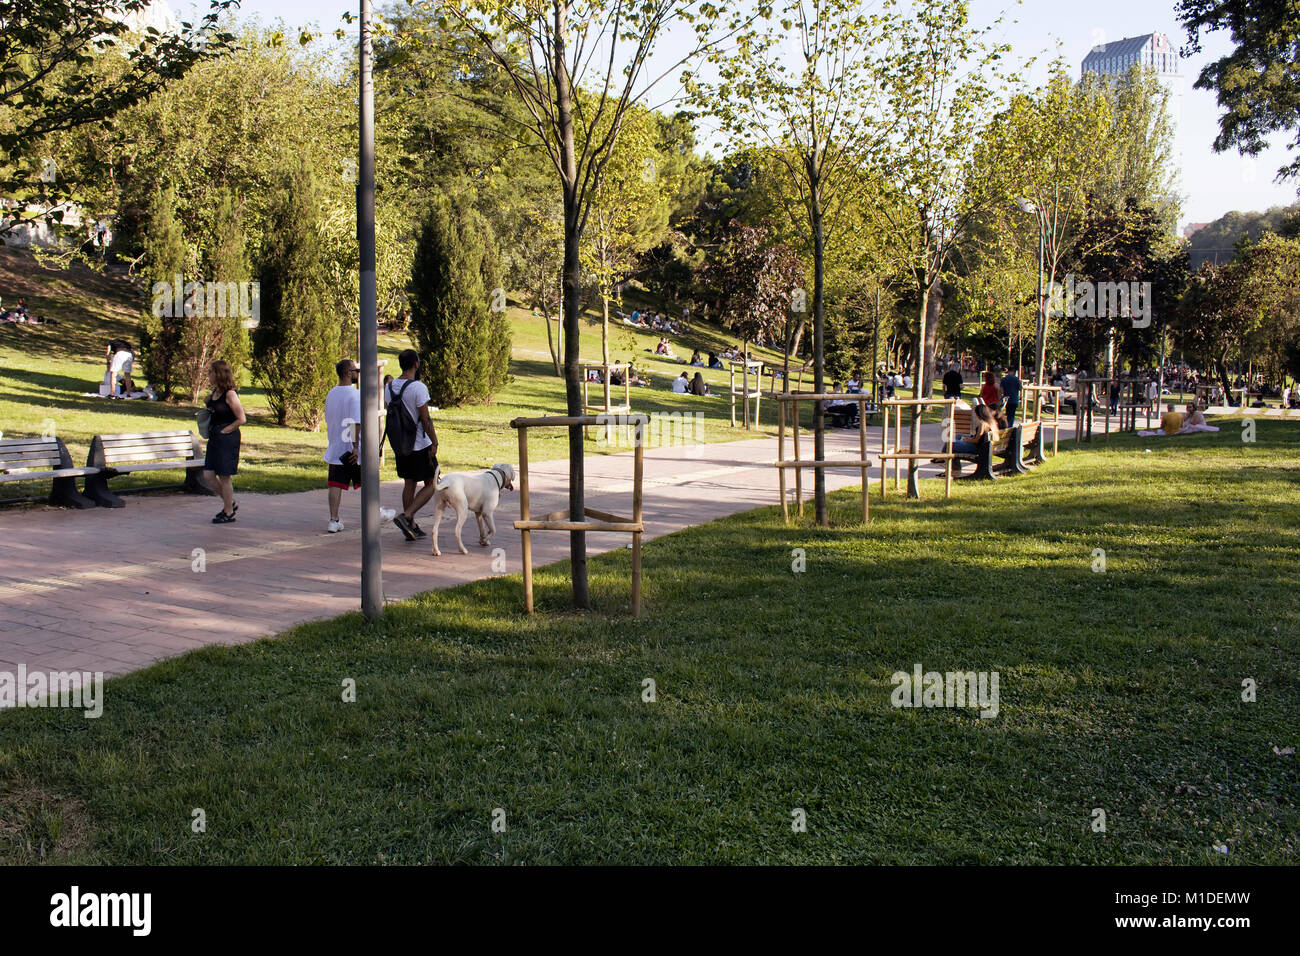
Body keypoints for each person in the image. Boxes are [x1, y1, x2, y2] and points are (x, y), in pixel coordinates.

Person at [387, 349, 439, 541]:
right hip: (419, 444)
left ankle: (410, 525)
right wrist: (434, 441)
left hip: (400, 444)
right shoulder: (418, 388)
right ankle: (407, 516)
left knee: (409, 482)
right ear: (416, 364)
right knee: (433, 482)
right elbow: (425, 418)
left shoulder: (390, 387)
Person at [203, 360, 245, 523]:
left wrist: (226, 430)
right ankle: (230, 503)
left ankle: (228, 512)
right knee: (208, 475)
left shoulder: (230, 394)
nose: (208, 375)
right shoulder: (215, 392)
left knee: (224, 476)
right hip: (214, 436)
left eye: (210, 372)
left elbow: (242, 419)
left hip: (227, 438)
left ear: (218, 374)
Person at [324, 359, 362, 533]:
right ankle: (374, 512)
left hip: (335, 445)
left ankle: (334, 519)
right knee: (367, 481)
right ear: (348, 373)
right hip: (351, 449)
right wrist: (355, 447)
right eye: (356, 370)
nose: (357, 373)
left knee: (335, 484)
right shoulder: (355, 395)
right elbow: (355, 422)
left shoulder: (331, 393)